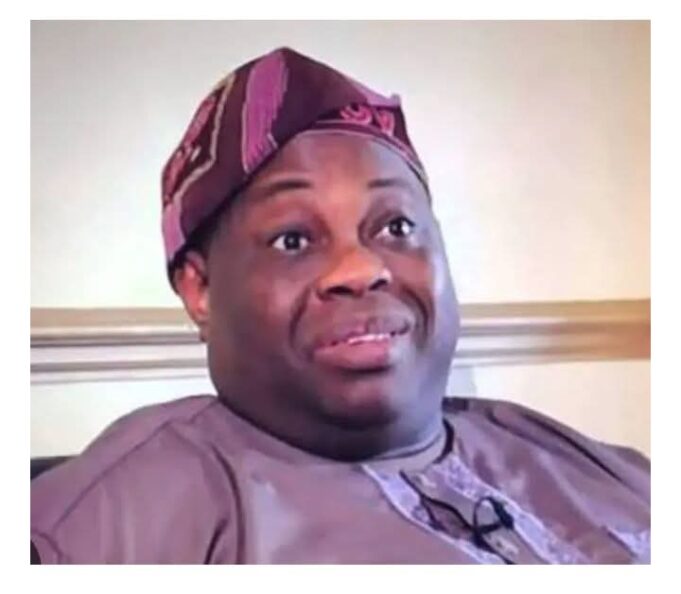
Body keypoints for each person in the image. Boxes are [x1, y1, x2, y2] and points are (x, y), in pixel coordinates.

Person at [30, 47, 650, 564]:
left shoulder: (593, 464)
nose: (362, 268)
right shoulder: (117, 522)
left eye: (396, 227)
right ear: (200, 288)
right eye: (293, 239)